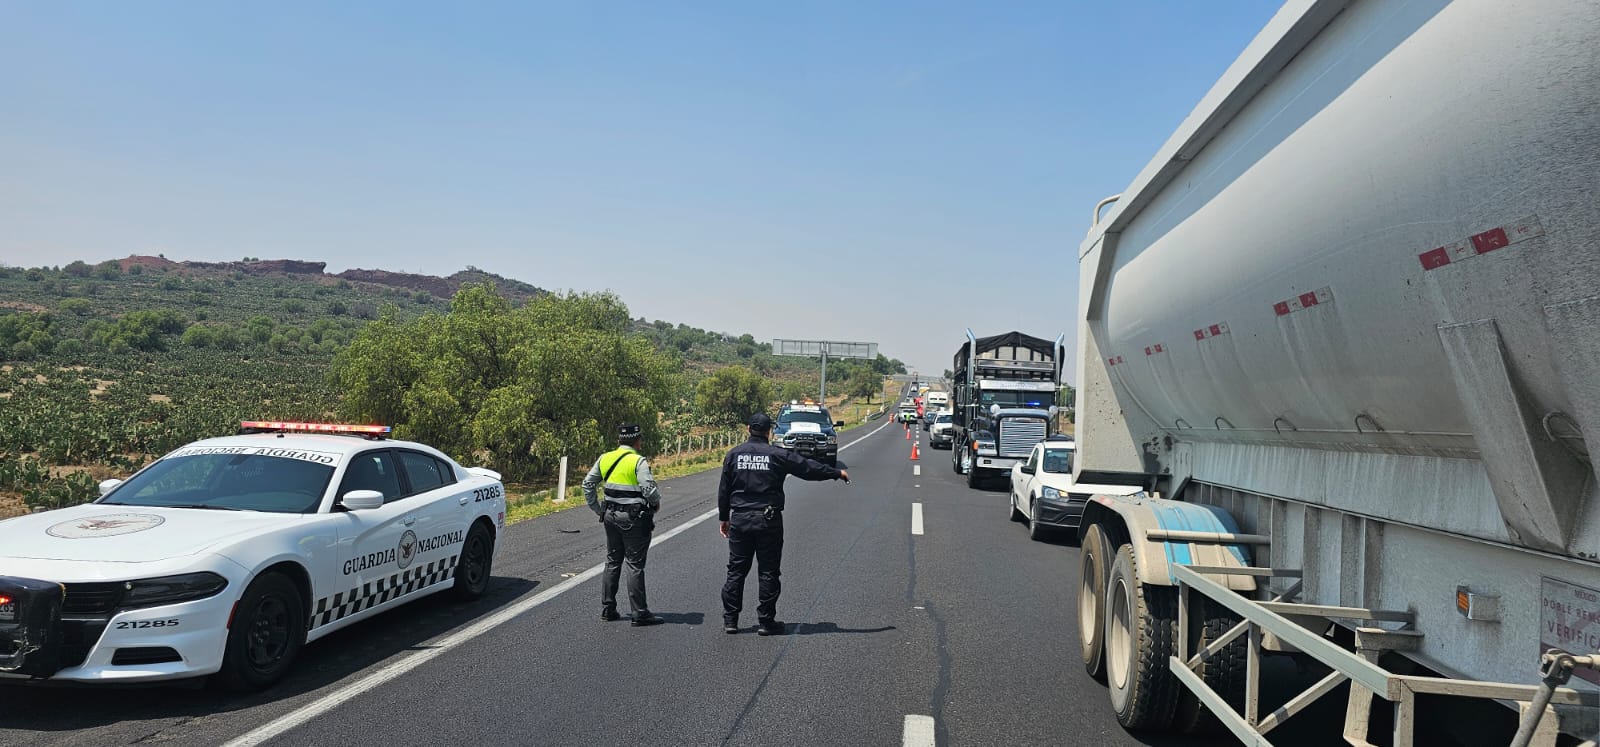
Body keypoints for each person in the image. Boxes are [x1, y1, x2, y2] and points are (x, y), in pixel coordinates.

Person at [718, 412, 849, 636]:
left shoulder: (734, 455)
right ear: (769, 431)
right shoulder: (777, 454)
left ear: (749, 429)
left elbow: (724, 490)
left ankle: (731, 620)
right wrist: (835, 473)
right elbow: (808, 468)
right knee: (768, 571)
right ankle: (766, 622)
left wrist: (724, 517)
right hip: (768, 520)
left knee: (736, 571)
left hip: (740, 518)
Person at [582, 423, 663, 627]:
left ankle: (608, 609)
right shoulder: (638, 461)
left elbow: (587, 484)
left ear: (619, 441)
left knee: (613, 561)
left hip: (610, 516)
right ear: (637, 441)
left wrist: (597, 508)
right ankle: (640, 613)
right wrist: (655, 502)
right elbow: (647, 487)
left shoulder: (605, 458)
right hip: (633, 518)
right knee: (634, 564)